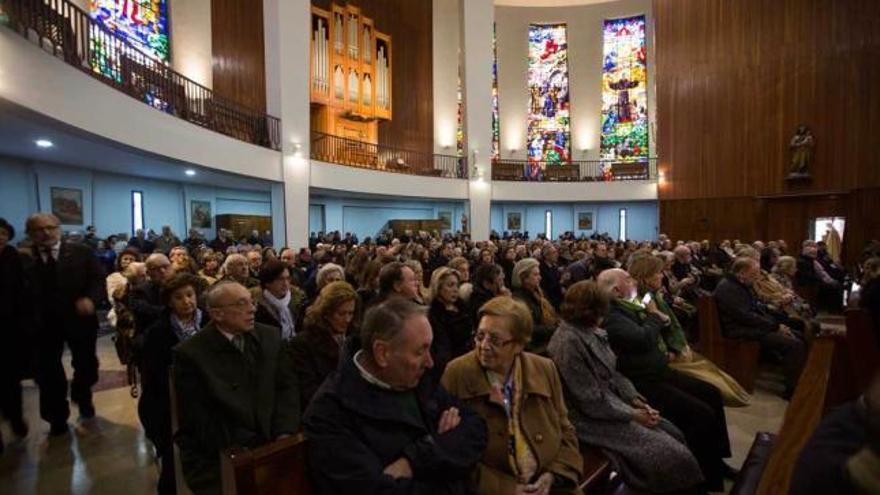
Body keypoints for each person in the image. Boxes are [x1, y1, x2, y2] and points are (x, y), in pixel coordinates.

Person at [303, 298, 488, 493]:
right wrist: (445, 449)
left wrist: (413, 461)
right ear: (382, 353)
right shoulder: (330, 412)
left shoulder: (417, 377)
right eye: (420, 351)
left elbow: (475, 429)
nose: (430, 362)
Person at [548, 281, 704, 494]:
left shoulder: (588, 330)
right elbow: (589, 400)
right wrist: (633, 415)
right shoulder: (568, 342)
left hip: (610, 404)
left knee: (673, 432)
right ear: (593, 309)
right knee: (669, 454)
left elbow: (613, 372)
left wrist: (634, 398)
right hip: (588, 418)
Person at [598, 268, 733, 491]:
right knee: (701, 414)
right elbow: (642, 339)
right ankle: (703, 476)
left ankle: (718, 462)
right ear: (617, 290)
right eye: (629, 279)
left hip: (660, 371)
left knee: (712, 393)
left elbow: (663, 325)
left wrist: (655, 319)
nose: (634, 281)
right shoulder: (612, 316)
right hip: (643, 381)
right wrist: (653, 316)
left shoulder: (632, 306)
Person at [442, 296, 583, 494]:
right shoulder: (457, 374)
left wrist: (554, 474)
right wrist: (507, 489)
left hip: (551, 484)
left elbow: (565, 429)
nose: (484, 346)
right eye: (480, 336)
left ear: (519, 345)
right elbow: (450, 453)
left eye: (495, 340)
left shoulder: (544, 368)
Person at [173, 281, 300, 493]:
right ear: (217, 315)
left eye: (252, 302)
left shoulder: (270, 336)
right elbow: (200, 420)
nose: (251, 309)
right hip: (221, 453)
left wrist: (284, 433)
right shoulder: (191, 354)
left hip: (274, 440)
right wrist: (250, 449)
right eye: (241, 304)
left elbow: (287, 388)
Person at [628, 254, 750, 407]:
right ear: (646, 277)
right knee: (714, 386)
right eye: (658, 272)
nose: (662, 276)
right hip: (664, 356)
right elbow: (652, 326)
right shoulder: (641, 298)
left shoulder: (650, 294)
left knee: (716, 375)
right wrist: (674, 350)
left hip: (674, 348)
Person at [21, 213, 103, 434]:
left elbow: (97, 279)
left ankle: (82, 395)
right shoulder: (23, 259)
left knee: (86, 366)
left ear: (59, 228)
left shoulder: (81, 252)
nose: (46, 233)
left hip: (79, 319)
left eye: (50, 227)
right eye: (39, 229)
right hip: (43, 324)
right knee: (48, 372)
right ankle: (56, 418)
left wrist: (91, 300)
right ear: (29, 233)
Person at [139, 273, 207, 494]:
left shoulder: (209, 321)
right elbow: (153, 378)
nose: (187, 301)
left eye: (190, 295)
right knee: (173, 463)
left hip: (206, 401)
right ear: (169, 301)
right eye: (179, 297)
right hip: (170, 405)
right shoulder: (158, 332)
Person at [714, 257, 807, 398]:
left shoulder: (740, 284)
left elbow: (755, 307)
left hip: (748, 325)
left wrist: (775, 320)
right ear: (742, 272)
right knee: (794, 345)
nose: (757, 277)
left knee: (798, 335)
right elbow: (745, 316)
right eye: (754, 274)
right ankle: (792, 390)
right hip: (738, 330)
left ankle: (799, 377)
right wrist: (774, 326)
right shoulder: (728, 288)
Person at [288, 281, 358, 411]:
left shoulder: (355, 339)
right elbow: (308, 390)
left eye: (351, 313)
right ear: (326, 313)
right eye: (341, 314)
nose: (348, 319)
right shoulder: (303, 344)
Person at [0, 218, 29, 448]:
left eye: (2, 232)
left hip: (10, 328)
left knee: (10, 379)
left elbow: (23, 291)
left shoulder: (14, 257)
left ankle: (15, 416)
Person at [426, 267, 473, 386]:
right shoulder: (434, 314)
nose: (455, 290)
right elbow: (442, 348)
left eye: (457, 285)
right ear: (438, 287)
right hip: (450, 366)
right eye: (450, 285)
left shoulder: (463, 308)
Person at [510, 258, 557, 354]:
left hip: (547, 338)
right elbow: (530, 328)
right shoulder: (518, 300)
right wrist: (554, 330)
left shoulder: (539, 292)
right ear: (524, 278)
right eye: (535, 274)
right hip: (535, 347)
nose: (540, 277)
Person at [254, 260, 302, 342]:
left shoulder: (299, 300)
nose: (286, 283)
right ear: (267, 282)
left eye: (288, 278)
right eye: (280, 279)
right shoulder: (257, 306)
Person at [130, 253, 172, 337]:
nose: (162, 271)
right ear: (148, 272)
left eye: (166, 266)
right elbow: (148, 312)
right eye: (156, 269)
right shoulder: (139, 291)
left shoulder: (181, 286)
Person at [468, 263, 510, 327]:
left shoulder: (495, 295)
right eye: (500, 280)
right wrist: (505, 301)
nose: (503, 284)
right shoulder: (480, 302)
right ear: (487, 284)